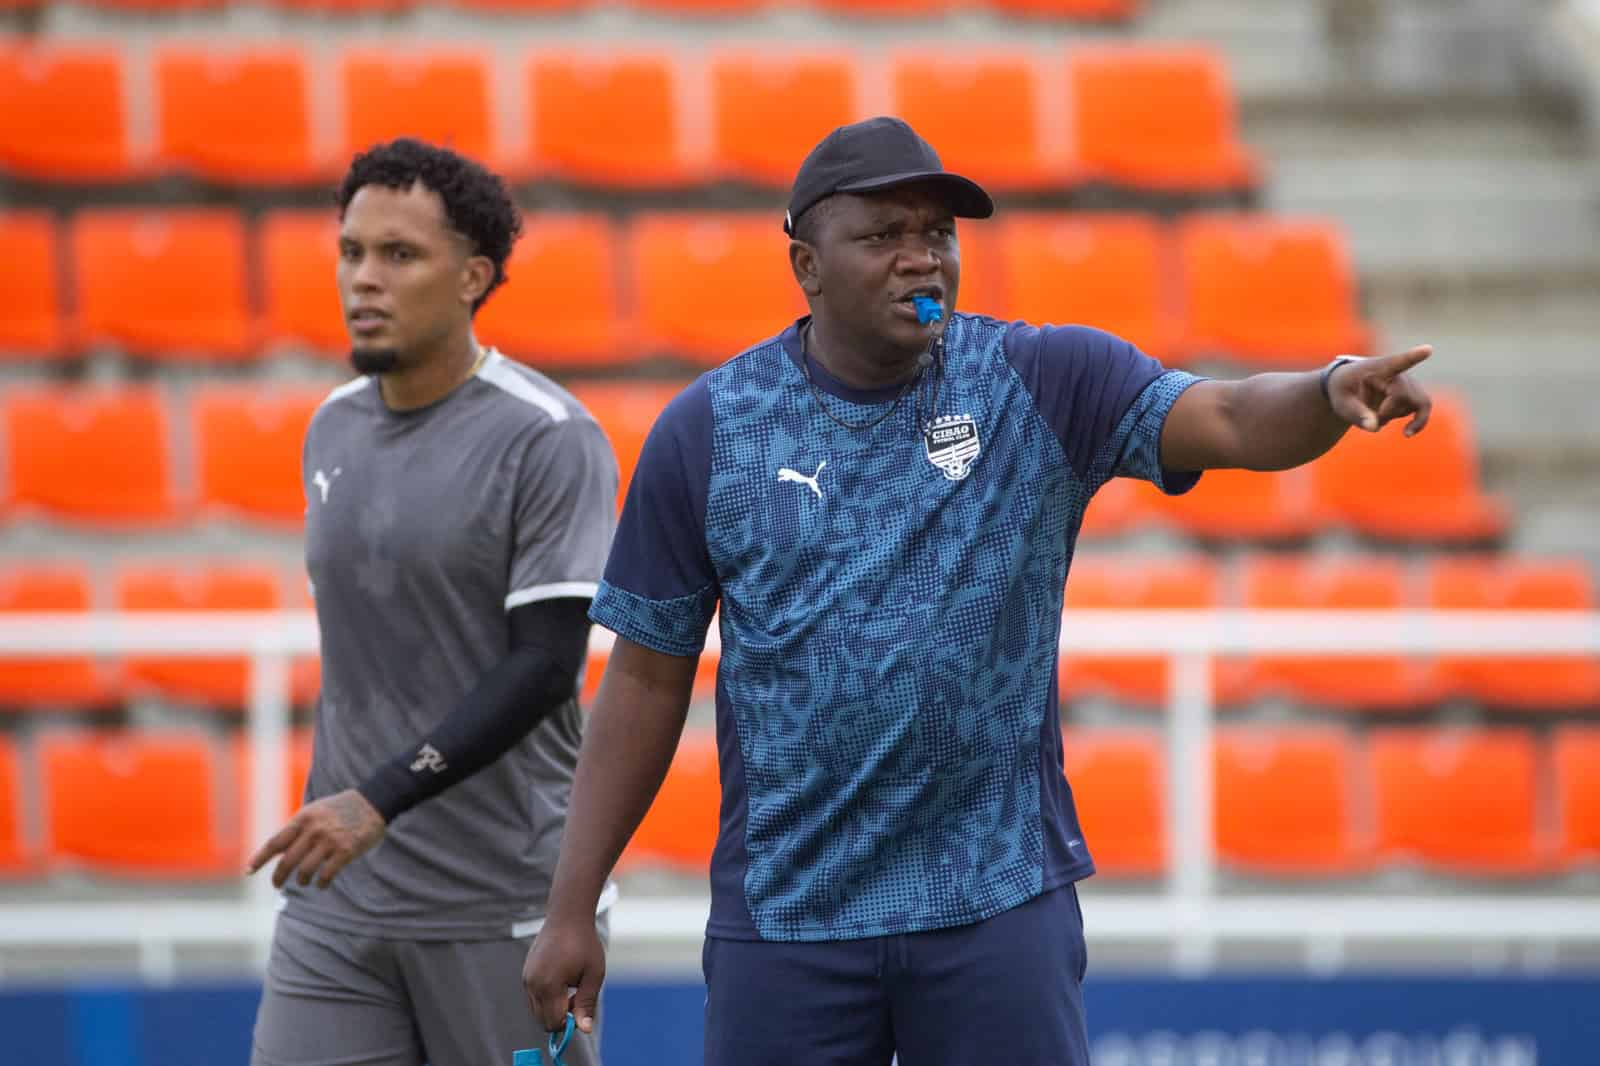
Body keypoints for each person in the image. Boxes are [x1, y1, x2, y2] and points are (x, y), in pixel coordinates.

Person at [523, 116, 1432, 1066]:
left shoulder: (1042, 379)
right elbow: (645, 679)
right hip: (790, 915)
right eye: (884, 235)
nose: (921, 259)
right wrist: (571, 906)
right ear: (806, 266)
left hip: (996, 906)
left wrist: (1327, 391)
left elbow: (1232, 418)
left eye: (938, 234)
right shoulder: (711, 430)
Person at [246, 137, 618, 1066]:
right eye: (351, 252)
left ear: (472, 277)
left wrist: (377, 799)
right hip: (340, 900)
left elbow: (545, 665)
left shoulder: (549, 438)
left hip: (503, 904)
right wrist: (359, 813)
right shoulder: (332, 427)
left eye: (399, 254)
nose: (364, 279)